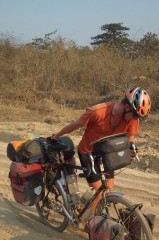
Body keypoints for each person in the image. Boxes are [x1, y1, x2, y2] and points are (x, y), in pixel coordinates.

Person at [52, 87, 151, 219]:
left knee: (109, 192)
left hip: (107, 153)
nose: (135, 119)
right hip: (88, 152)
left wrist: (131, 147)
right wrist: (57, 135)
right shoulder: (98, 112)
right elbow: (75, 125)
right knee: (100, 193)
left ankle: (91, 210)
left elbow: (130, 135)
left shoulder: (132, 119)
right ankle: (88, 220)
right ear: (127, 107)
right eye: (135, 115)